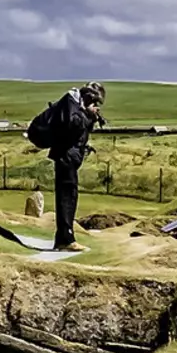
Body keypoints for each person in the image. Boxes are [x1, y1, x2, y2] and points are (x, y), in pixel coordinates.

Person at [28, 81, 106, 250]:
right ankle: (66, 239)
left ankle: (64, 238)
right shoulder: (70, 103)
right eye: (95, 102)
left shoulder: (76, 105)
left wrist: (89, 117)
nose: (95, 105)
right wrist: (88, 115)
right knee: (66, 196)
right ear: (88, 96)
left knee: (69, 196)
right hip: (65, 157)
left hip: (68, 157)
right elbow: (72, 125)